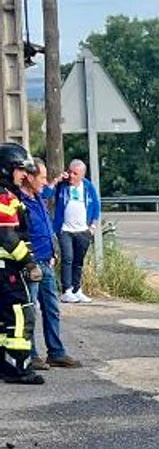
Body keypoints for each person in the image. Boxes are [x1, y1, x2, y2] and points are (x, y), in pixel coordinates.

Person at [22, 159, 81, 370]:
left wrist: (56, 181)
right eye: (42, 177)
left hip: (46, 262)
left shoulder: (38, 196)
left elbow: (48, 191)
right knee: (30, 312)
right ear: (29, 177)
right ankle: (31, 355)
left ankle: (56, 352)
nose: (44, 182)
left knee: (52, 309)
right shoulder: (19, 201)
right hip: (30, 264)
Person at [0, 143, 43, 385]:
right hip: (9, 270)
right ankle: (22, 368)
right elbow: (6, 236)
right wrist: (28, 262)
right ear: (6, 170)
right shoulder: (4, 196)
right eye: (19, 169)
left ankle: (3, 366)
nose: (24, 175)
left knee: (3, 319)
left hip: (3, 270)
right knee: (20, 315)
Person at [53, 158, 101, 303]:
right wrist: (58, 180)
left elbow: (96, 206)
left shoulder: (88, 187)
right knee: (67, 258)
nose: (71, 176)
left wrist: (92, 227)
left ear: (82, 175)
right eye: (70, 172)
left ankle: (76, 289)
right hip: (65, 229)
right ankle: (66, 290)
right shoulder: (63, 186)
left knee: (78, 261)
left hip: (83, 230)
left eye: (75, 173)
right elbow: (46, 193)